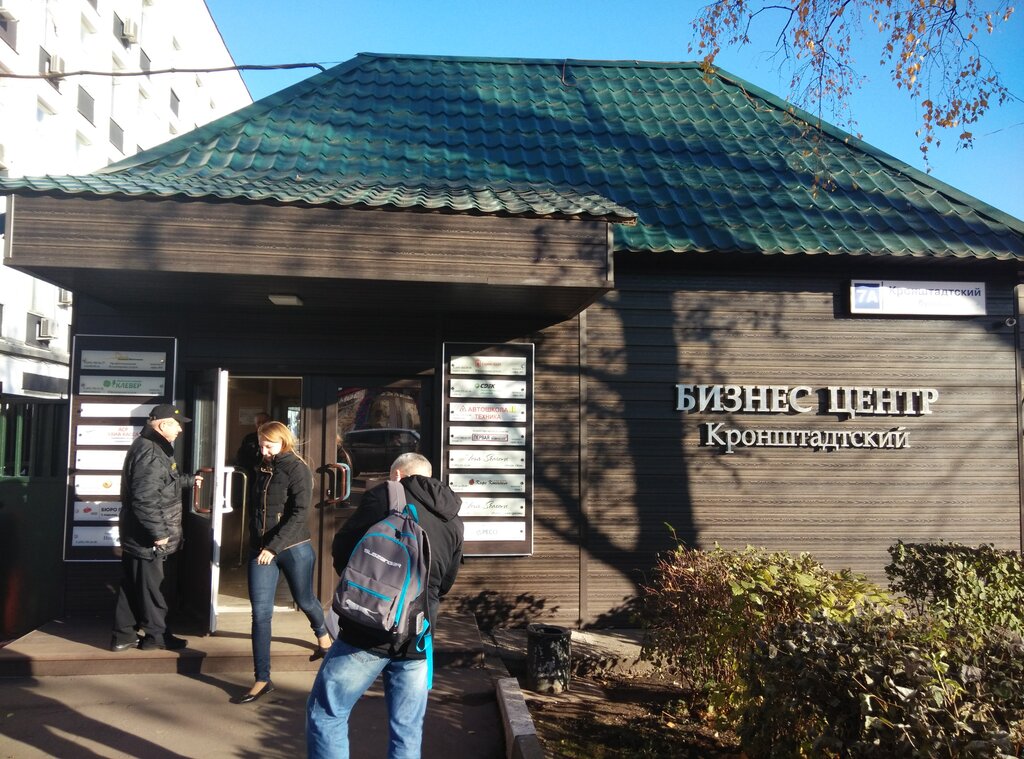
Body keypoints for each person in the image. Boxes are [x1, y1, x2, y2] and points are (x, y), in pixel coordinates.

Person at [306, 452, 464, 759]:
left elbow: (343, 549)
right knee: (407, 729)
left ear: (398, 475)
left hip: (369, 630)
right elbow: (446, 583)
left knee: (327, 712)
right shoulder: (453, 517)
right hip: (418, 635)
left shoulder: (385, 496)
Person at [236, 421, 332, 704]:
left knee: (305, 600)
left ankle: (323, 637)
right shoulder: (261, 465)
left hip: (293, 548)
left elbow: (300, 513)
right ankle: (262, 678)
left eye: (269, 445)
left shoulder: (297, 468)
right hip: (261, 550)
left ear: (284, 442)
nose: (264, 450)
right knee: (260, 614)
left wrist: (274, 547)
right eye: (261, 445)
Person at [111, 403, 201, 652]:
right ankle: (156, 636)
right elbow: (145, 498)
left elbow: (161, 484)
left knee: (133, 584)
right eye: (176, 425)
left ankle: (123, 635)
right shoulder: (151, 452)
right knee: (153, 589)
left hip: (137, 533)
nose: (180, 430)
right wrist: (159, 533)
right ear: (162, 425)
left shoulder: (150, 446)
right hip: (147, 537)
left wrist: (188, 481)